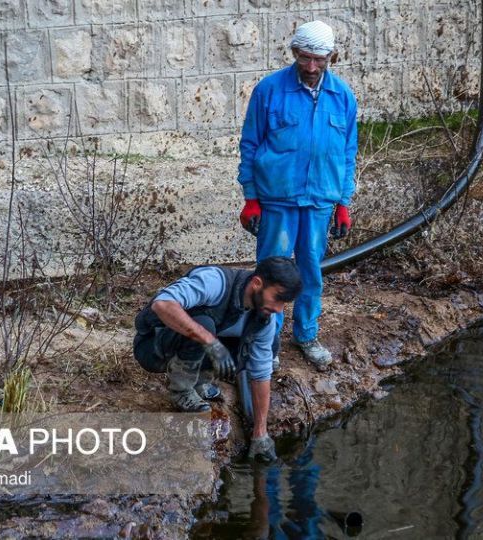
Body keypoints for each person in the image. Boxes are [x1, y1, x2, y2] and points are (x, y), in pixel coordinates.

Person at [236, 20, 358, 368]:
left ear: (331, 56)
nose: (311, 67)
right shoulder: (270, 91)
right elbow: (250, 144)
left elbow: (348, 152)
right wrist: (251, 197)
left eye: (320, 59)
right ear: (294, 53)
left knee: (310, 272)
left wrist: (344, 202)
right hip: (277, 200)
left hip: (320, 202)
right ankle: (265, 344)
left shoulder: (342, 97)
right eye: (304, 58)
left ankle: (306, 334)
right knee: (272, 273)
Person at [133, 256, 302, 462]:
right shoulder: (215, 281)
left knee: (269, 344)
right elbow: (162, 305)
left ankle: (201, 381)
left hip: (196, 347)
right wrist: (209, 342)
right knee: (204, 325)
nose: (278, 309)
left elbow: (260, 372)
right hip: (154, 346)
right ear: (257, 283)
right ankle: (182, 390)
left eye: (284, 303)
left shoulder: (264, 317)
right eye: (277, 298)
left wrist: (261, 433)